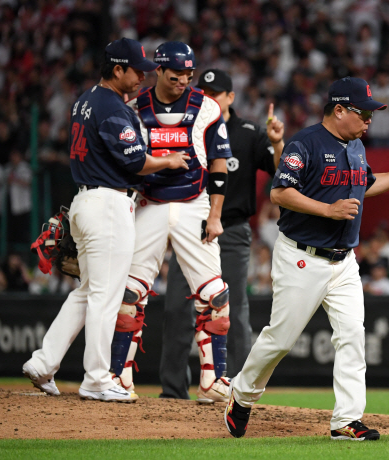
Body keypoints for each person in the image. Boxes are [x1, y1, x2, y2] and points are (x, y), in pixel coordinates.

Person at [224, 76, 389, 440]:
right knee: (280, 340)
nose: (369, 121)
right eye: (363, 113)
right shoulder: (305, 142)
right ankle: (241, 395)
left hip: (344, 261)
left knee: (352, 335)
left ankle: (346, 421)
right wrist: (327, 209)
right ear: (339, 110)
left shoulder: (355, 147)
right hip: (302, 257)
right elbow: (279, 193)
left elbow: (365, 184)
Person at [22, 38, 188, 402]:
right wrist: (170, 160)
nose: (143, 78)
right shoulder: (112, 106)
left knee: (87, 291)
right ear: (117, 69)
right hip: (108, 205)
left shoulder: (85, 100)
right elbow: (137, 162)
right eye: (136, 71)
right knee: (105, 295)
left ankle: (43, 362)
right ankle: (97, 379)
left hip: (86, 201)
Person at [109, 43, 233, 404]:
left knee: (216, 296)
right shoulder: (135, 108)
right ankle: (120, 376)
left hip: (195, 204)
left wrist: (215, 214)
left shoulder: (207, 107)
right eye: (176, 75)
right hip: (148, 202)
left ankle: (212, 381)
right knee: (128, 294)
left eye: (188, 77)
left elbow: (220, 163)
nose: (183, 82)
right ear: (159, 72)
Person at [158, 68, 284, 400]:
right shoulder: (186, 126)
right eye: (205, 92)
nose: (209, 98)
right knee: (175, 308)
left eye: (216, 93)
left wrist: (276, 142)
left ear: (231, 97)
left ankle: (237, 389)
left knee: (235, 309)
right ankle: (172, 392)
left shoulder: (247, 132)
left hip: (231, 230)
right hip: (190, 227)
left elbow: (279, 170)